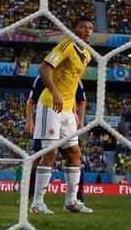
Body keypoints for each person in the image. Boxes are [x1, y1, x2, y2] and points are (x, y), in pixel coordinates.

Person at [26, 17, 95, 215]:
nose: (87, 31)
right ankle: (37, 203)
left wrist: (73, 110)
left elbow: (72, 84)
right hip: (50, 105)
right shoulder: (66, 45)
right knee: (50, 153)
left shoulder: (87, 55)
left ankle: (71, 201)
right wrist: (55, 92)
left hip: (67, 111)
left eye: (90, 28)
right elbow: (44, 68)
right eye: (83, 27)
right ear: (75, 28)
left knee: (74, 154)